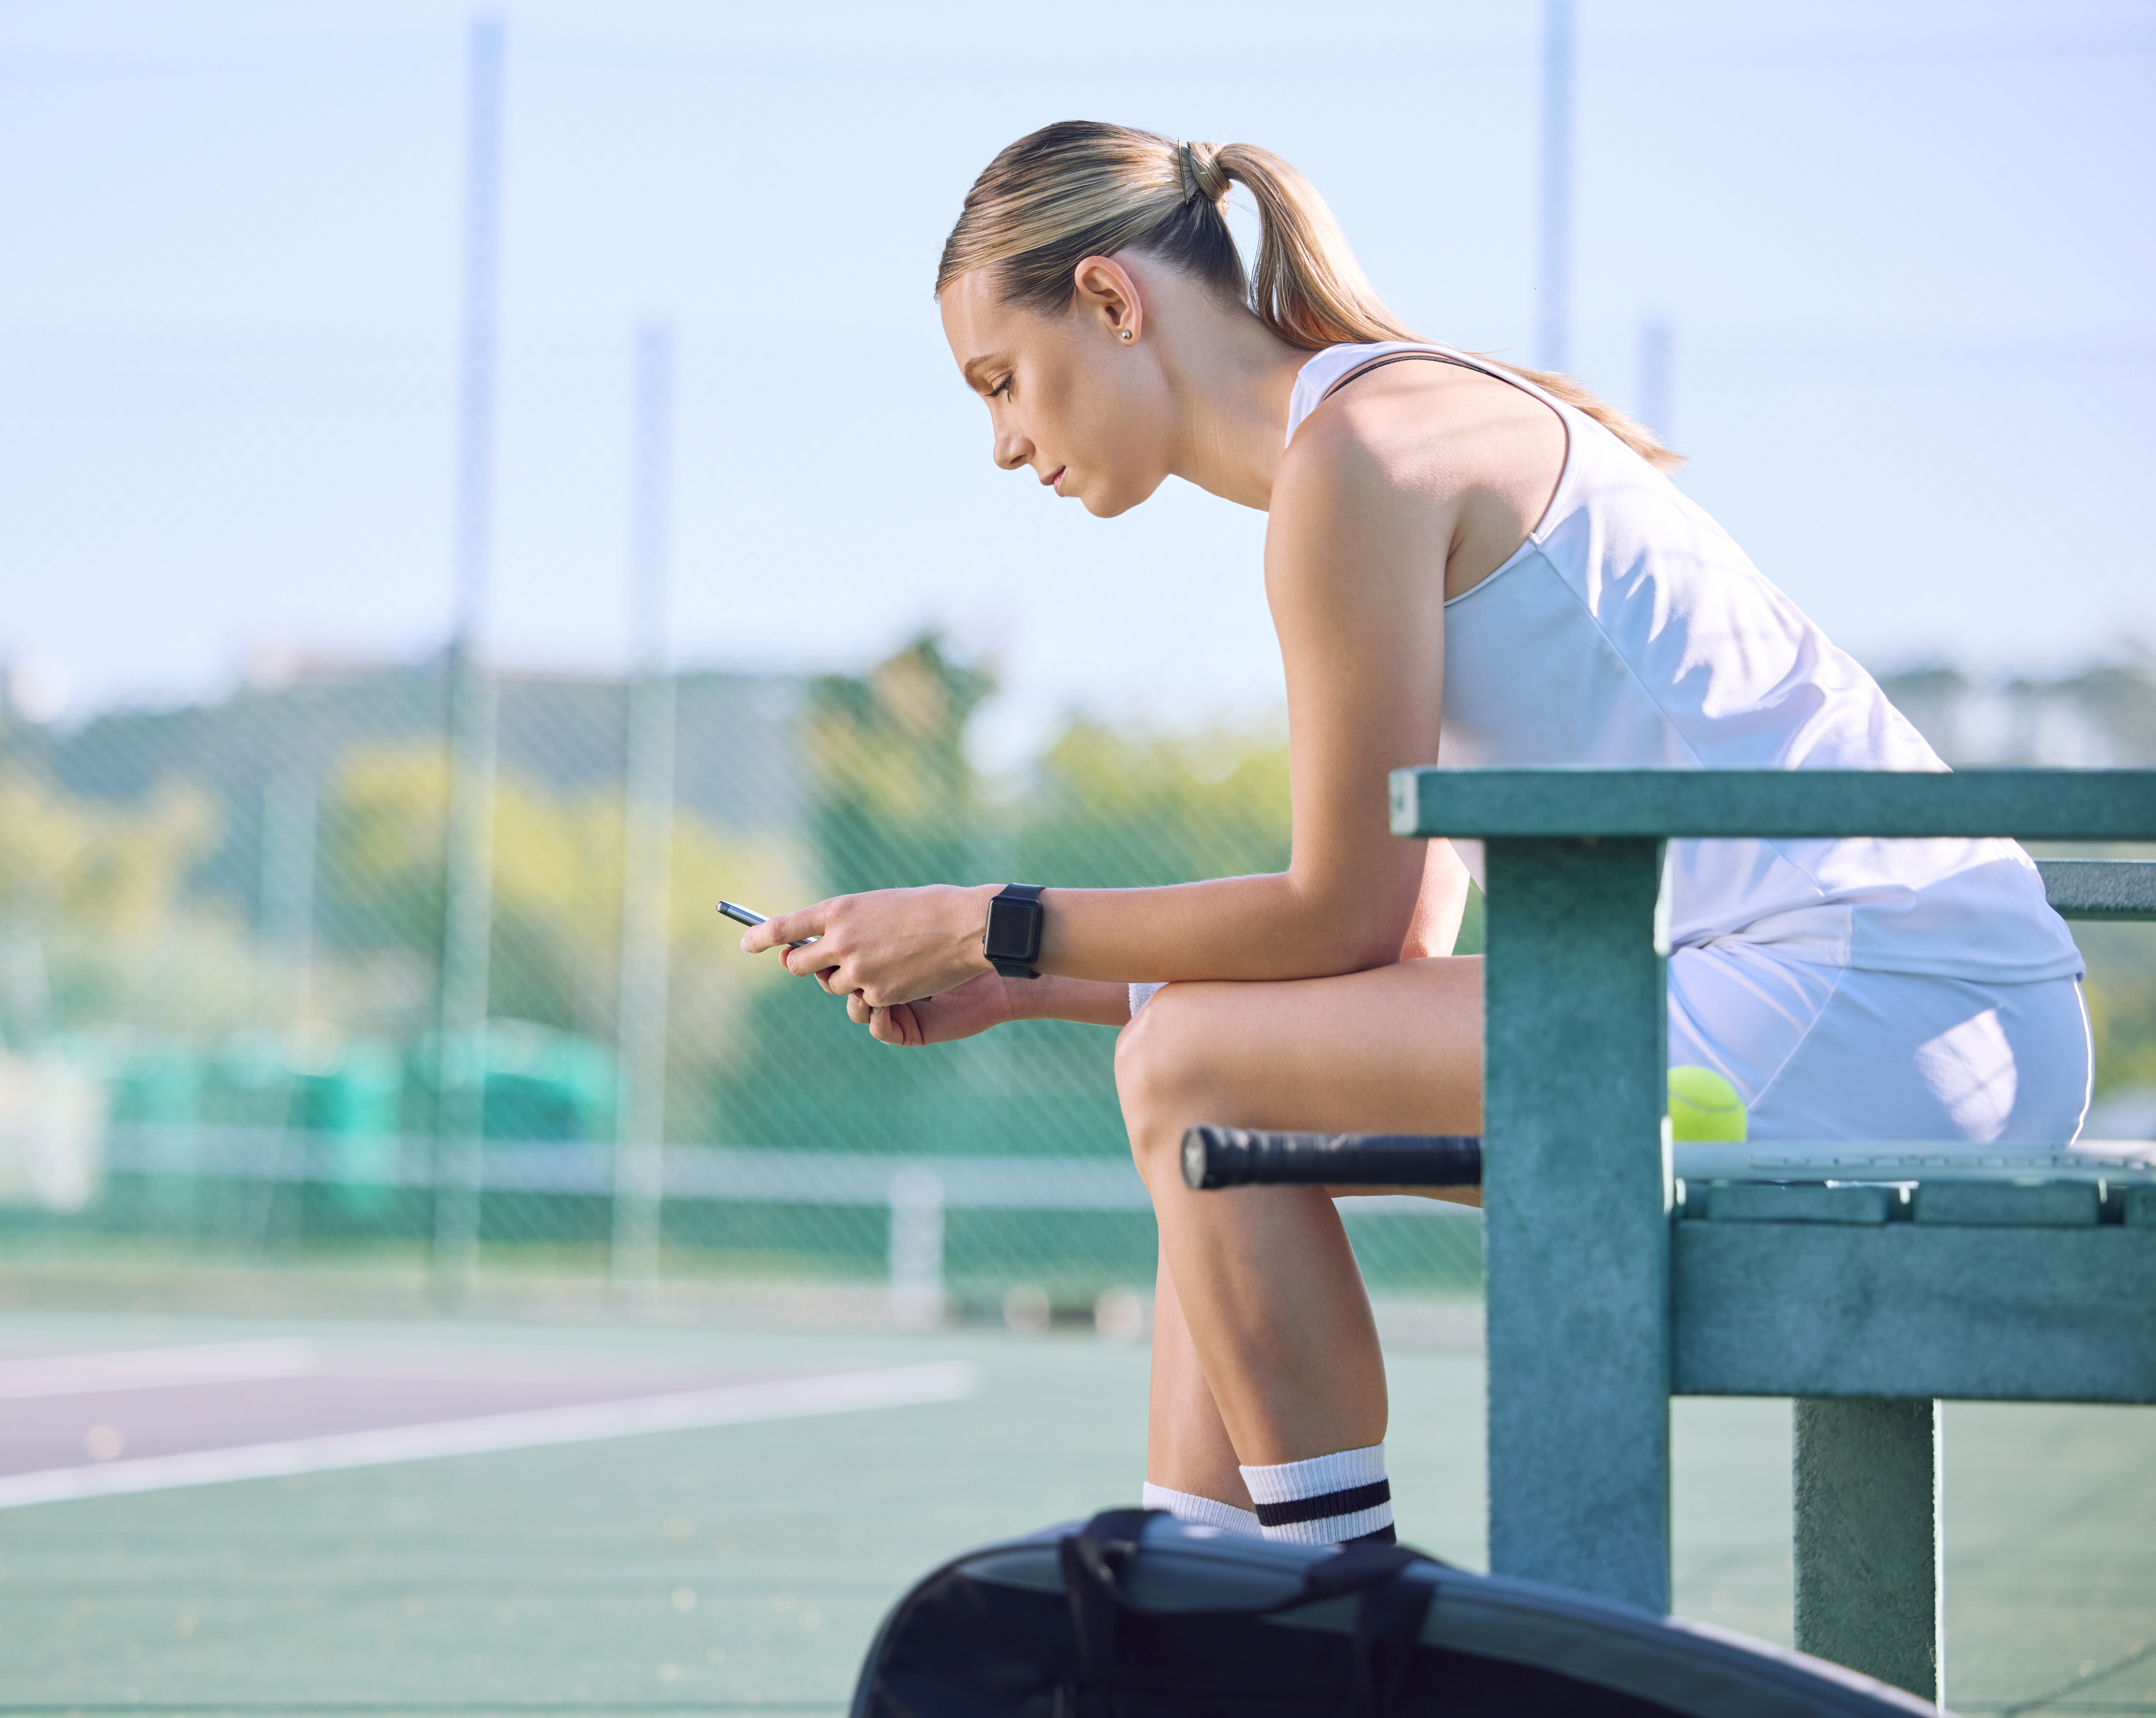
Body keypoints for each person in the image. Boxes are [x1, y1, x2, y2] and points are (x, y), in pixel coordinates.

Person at [739, 121, 2088, 1549]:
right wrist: (1023, 983)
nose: (1005, 443)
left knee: (1195, 1070)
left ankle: (1337, 1615)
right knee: (1202, 1069)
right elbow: (1391, 947)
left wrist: (983, 919)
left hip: (1883, 1014)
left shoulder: (1361, 460)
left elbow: (1346, 923)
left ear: (1114, 302)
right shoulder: (1376, 439)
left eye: (1002, 381)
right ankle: (1195, 1602)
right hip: (1920, 1012)